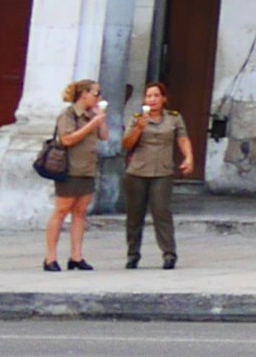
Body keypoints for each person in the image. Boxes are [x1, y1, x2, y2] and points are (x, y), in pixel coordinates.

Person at [118, 81, 193, 269]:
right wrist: (138, 128)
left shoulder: (174, 118)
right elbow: (126, 144)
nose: (152, 100)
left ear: (163, 99)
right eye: (149, 96)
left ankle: (169, 253)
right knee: (135, 215)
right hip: (137, 171)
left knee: (161, 212)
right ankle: (133, 253)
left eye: (156, 96)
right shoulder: (137, 119)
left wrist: (189, 157)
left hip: (162, 171)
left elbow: (182, 138)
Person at [40, 78, 106, 272]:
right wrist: (92, 123)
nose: (98, 97)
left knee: (80, 212)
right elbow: (67, 139)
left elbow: (104, 136)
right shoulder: (68, 114)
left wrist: (100, 119)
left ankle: (76, 256)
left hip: (87, 168)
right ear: (84, 94)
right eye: (96, 93)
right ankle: (50, 257)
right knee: (61, 211)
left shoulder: (90, 114)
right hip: (69, 169)